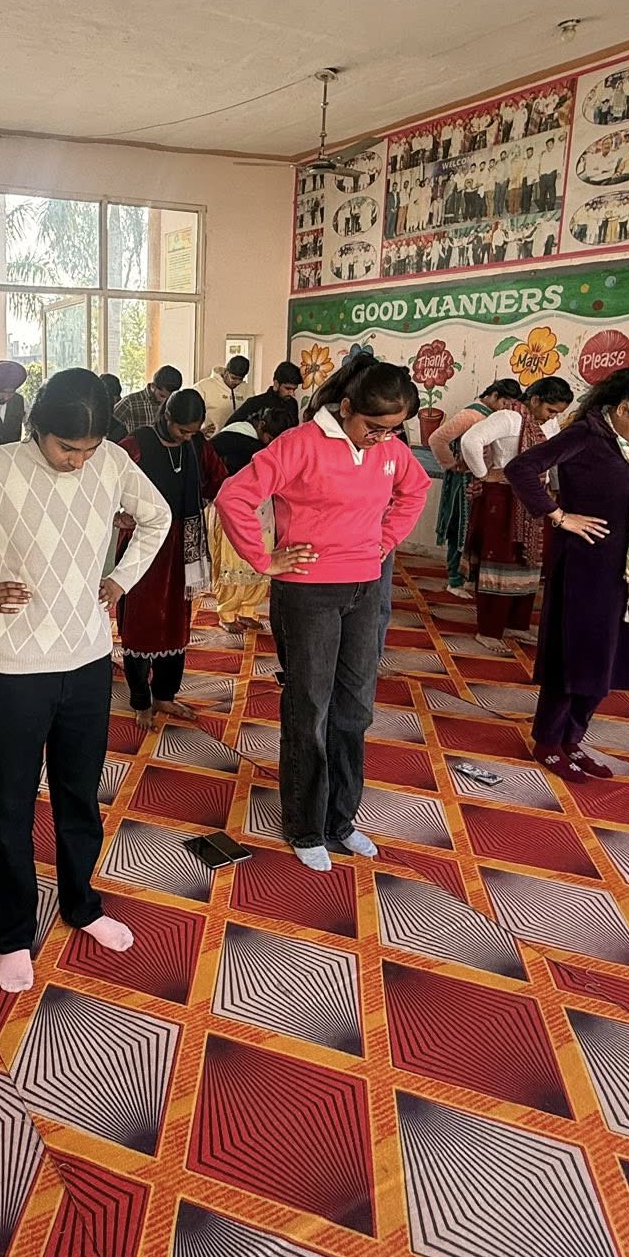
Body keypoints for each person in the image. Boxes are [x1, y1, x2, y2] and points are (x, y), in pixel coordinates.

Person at [0, 369, 170, 993]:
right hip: (17, 668)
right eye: (67, 447)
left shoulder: (112, 464)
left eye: (89, 449)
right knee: (12, 803)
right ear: (37, 428)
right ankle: (13, 931)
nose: (78, 461)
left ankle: (82, 904)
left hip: (89, 660)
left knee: (80, 796)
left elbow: (156, 518)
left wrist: (121, 579)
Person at [216, 354, 428, 871]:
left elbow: (416, 489)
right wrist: (264, 559)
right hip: (308, 593)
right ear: (347, 407)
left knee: (354, 709)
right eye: (374, 427)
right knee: (310, 708)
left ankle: (341, 819)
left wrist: (384, 540)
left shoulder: (389, 449)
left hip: (365, 589)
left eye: (394, 430)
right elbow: (233, 497)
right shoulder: (300, 444)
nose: (383, 438)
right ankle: (305, 824)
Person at [504, 367, 629, 781]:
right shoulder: (585, 434)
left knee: (606, 660)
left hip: (624, 569)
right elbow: (521, 469)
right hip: (585, 566)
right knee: (575, 656)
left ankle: (572, 739)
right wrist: (559, 516)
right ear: (623, 408)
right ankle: (548, 742)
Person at [117, 389, 227, 731]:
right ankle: (141, 701)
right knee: (140, 621)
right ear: (167, 417)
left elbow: (219, 479)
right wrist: (120, 514)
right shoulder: (136, 444)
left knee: (176, 622)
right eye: (182, 430)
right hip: (144, 545)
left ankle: (165, 694)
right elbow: (105, 483)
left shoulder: (197, 445)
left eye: (193, 432)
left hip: (184, 545)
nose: (187, 437)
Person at [458, 376, 574, 646]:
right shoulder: (509, 417)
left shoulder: (548, 423)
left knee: (529, 563)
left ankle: (516, 624)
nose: (552, 417)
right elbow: (470, 440)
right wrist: (484, 474)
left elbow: (553, 459)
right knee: (499, 563)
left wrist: (553, 490)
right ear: (535, 399)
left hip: (535, 499)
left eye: (557, 413)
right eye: (550, 410)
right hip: (503, 499)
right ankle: (488, 631)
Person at [427, 378, 523, 591]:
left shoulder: (492, 416)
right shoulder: (471, 415)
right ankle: (455, 580)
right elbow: (436, 439)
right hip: (464, 481)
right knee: (459, 529)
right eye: (505, 402)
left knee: (474, 530)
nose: (506, 408)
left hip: (481, 479)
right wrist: (452, 465)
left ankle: (468, 577)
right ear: (494, 395)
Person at [208, 406, 293, 632]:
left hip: (263, 510)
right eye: (270, 438)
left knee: (262, 557)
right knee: (233, 560)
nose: (271, 444)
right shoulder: (228, 439)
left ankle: (248, 610)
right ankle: (226, 614)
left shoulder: (269, 448)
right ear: (261, 426)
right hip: (233, 510)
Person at [228, 361, 307, 430]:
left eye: (294, 389)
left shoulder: (292, 404)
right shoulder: (254, 403)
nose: (292, 393)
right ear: (276, 383)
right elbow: (229, 428)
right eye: (288, 388)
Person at [113, 365, 183, 435]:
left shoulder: (174, 404)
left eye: (169, 397)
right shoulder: (130, 402)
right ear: (153, 386)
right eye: (162, 396)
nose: (165, 401)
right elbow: (109, 424)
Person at [194, 355, 252, 434]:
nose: (237, 382)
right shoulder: (203, 387)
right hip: (212, 438)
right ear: (226, 372)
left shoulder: (248, 389)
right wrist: (198, 433)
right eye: (233, 378)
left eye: (240, 379)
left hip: (238, 437)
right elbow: (190, 413)